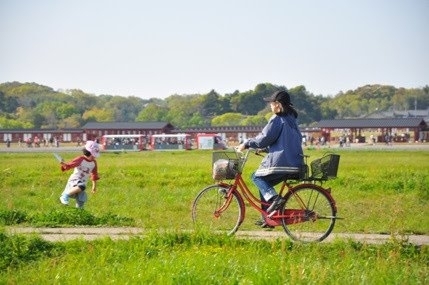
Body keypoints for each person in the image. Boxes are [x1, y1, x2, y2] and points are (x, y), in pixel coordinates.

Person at [237, 90, 304, 228]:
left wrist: (247, 143)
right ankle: (268, 219)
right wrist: (266, 149)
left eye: (272, 103)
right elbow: (283, 142)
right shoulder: (291, 120)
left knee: (256, 177)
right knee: (265, 185)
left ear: (278, 104)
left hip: (283, 163)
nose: (271, 106)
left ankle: (276, 200)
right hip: (295, 162)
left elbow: (264, 138)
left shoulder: (277, 119)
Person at [59, 140, 101, 208]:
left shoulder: (94, 163)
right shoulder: (80, 159)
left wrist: (94, 187)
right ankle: (65, 195)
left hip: (83, 183)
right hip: (75, 180)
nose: (94, 157)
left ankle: (79, 214)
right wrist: (64, 164)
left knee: (81, 201)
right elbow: (70, 165)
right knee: (82, 186)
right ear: (88, 153)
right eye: (93, 155)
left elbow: (94, 175)